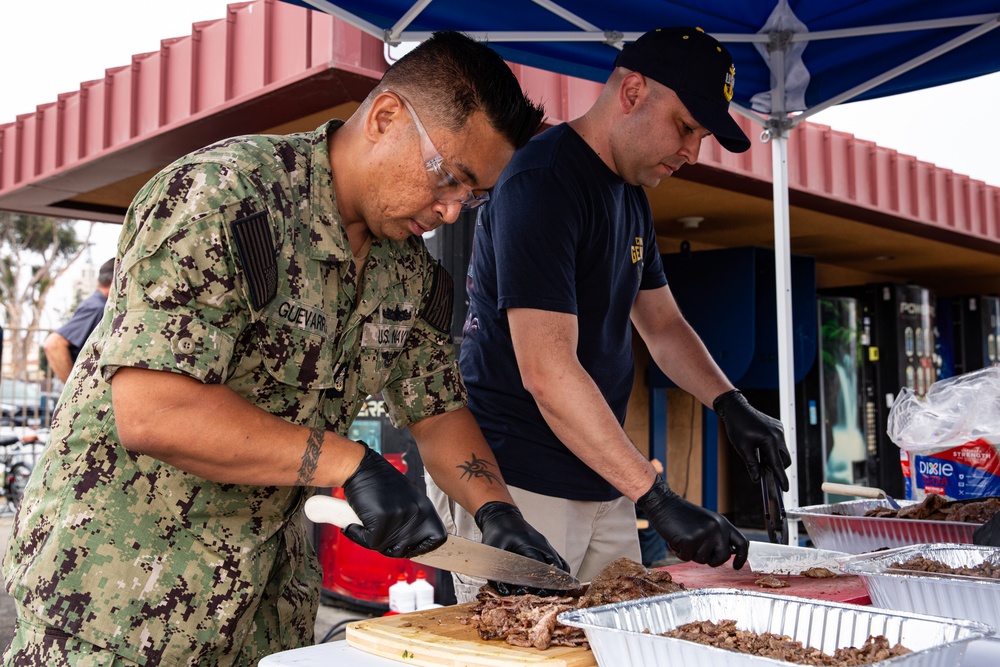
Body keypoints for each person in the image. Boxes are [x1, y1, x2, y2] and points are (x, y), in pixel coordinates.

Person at [2, 31, 567, 665]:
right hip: (118, 597)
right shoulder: (221, 197)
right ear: (385, 118)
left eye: (472, 195)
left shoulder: (412, 274)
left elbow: (435, 411)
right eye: (451, 178)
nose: (453, 210)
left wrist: (495, 511)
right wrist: (350, 463)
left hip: (265, 607)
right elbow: (154, 409)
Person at [429, 27, 792, 602]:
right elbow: (546, 372)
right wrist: (658, 498)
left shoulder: (629, 196)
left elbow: (664, 327)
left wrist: (731, 404)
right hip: (518, 485)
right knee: (520, 654)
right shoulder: (543, 183)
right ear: (633, 91)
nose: (692, 152)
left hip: (601, 474)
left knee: (617, 644)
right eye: (685, 127)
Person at [42, 258, 116, 383]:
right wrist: (73, 389)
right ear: (115, 281)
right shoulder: (97, 308)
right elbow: (54, 344)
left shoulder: (95, 304)